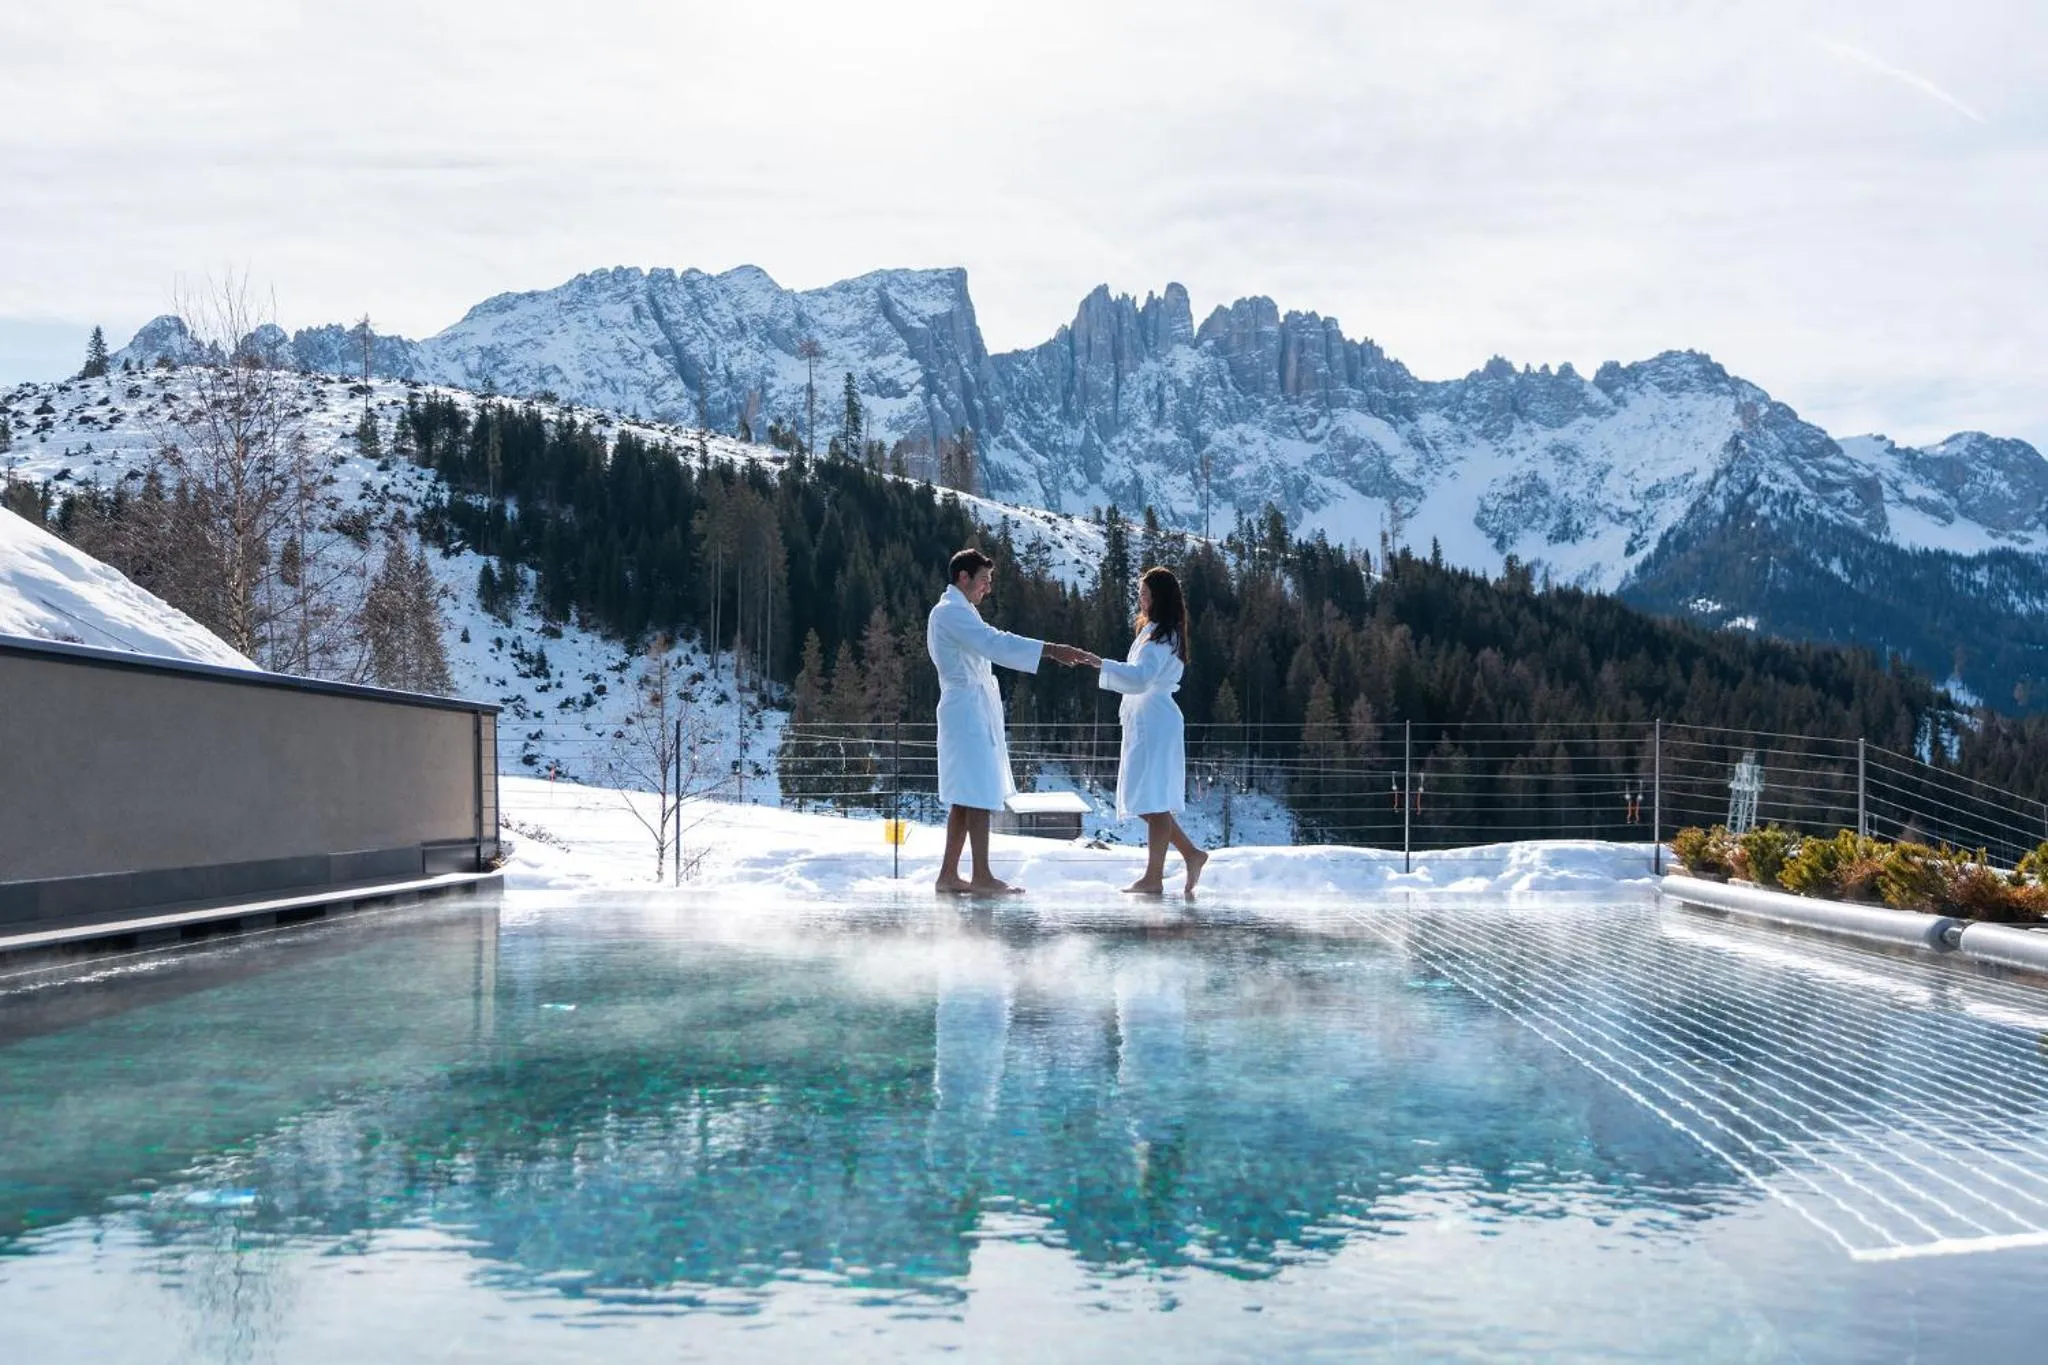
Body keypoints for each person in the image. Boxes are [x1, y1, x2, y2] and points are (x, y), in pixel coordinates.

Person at [927, 547, 1092, 895]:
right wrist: (1051, 649)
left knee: (965, 794)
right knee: (977, 791)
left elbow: (991, 641)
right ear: (963, 577)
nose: (988, 588)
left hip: (969, 708)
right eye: (984, 580)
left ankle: (948, 875)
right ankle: (982, 876)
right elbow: (994, 642)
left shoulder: (962, 611)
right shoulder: (949, 612)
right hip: (966, 711)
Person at [1095, 566, 1208, 896]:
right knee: (1145, 797)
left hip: (1155, 721)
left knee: (1152, 799)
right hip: (1149, 719)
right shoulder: (1155, 632)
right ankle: (1190, 855)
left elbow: (1141, 678)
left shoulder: (1162, 637)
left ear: (1160, 597)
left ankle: (1155, 877)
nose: (1141, 600)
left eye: (1145, 594)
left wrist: (1099, 664)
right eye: (1140, 594)